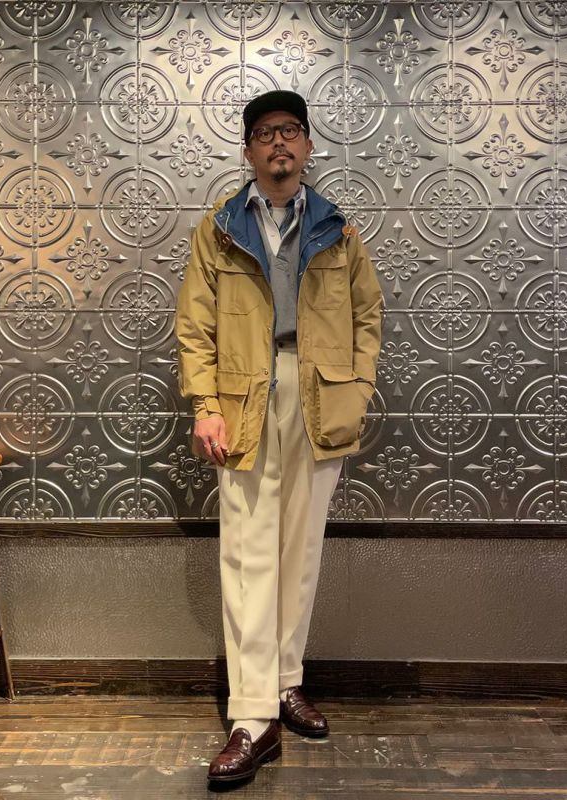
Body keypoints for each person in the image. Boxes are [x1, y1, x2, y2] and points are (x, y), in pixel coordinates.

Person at [176, 90, 382, 787]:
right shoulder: (220, 228)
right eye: (265, 133)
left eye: (290, 130)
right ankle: (253, 715)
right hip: (243, 394)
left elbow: (368, 315)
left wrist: (357, 386)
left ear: (308, 145)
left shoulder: (337, 229)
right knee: (248, 552)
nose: (279, 143)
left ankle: (287, 678)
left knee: (301, 549)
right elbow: (194, 323)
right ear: (248, 151)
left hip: (320, 393)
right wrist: (206, 404)